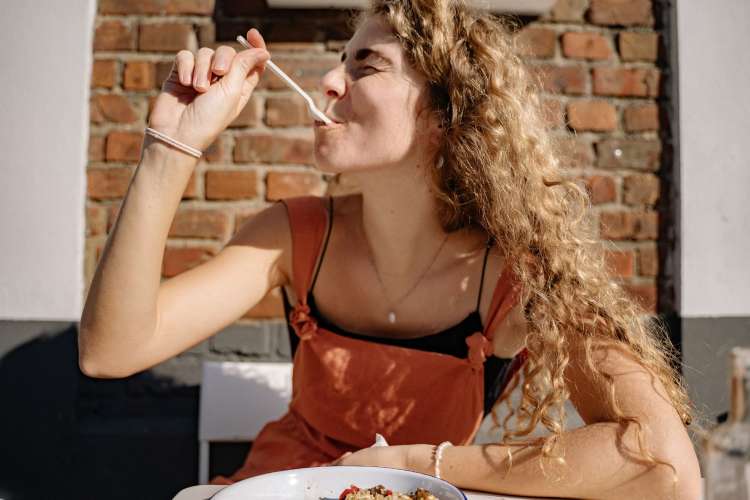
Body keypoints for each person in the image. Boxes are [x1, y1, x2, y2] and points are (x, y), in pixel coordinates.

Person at [79, 0, 701, 497]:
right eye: (339, 62)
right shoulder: (293, 234)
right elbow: (110, 352)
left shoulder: (520, 273)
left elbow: (665, 464)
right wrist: (169, 147)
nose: (328, 81)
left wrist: (420, 462)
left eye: (364, 65)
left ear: (442, 115)